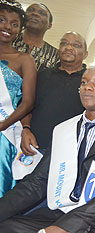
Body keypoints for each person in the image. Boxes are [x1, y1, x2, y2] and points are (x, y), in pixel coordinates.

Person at [0, 65, 95, 233]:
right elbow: (36, 182)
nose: (87, 87)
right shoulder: (63, 129)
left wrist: (65, 227)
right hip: (59, 211)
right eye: (84, 82)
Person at [20, 31, 87, 157]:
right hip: (36, 148)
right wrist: (26, 129)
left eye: (76, 45)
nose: (68, 47)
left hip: (71, 154)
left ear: (85, 54)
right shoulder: (41, 75)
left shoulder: (91, 82)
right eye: (64, 43)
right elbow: (26, 106)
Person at [0, 0, 36, 197]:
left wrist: (4, 124)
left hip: (4, 133)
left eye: (14, 24)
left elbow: (28, 101)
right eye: (2, 20)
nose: (7, 27)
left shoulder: (24, 60)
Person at [12, 3, 59, 71]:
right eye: (30, 10)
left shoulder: (55, 55)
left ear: (49, 25)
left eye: (42, 13)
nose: (35, 14)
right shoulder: (7, 40)